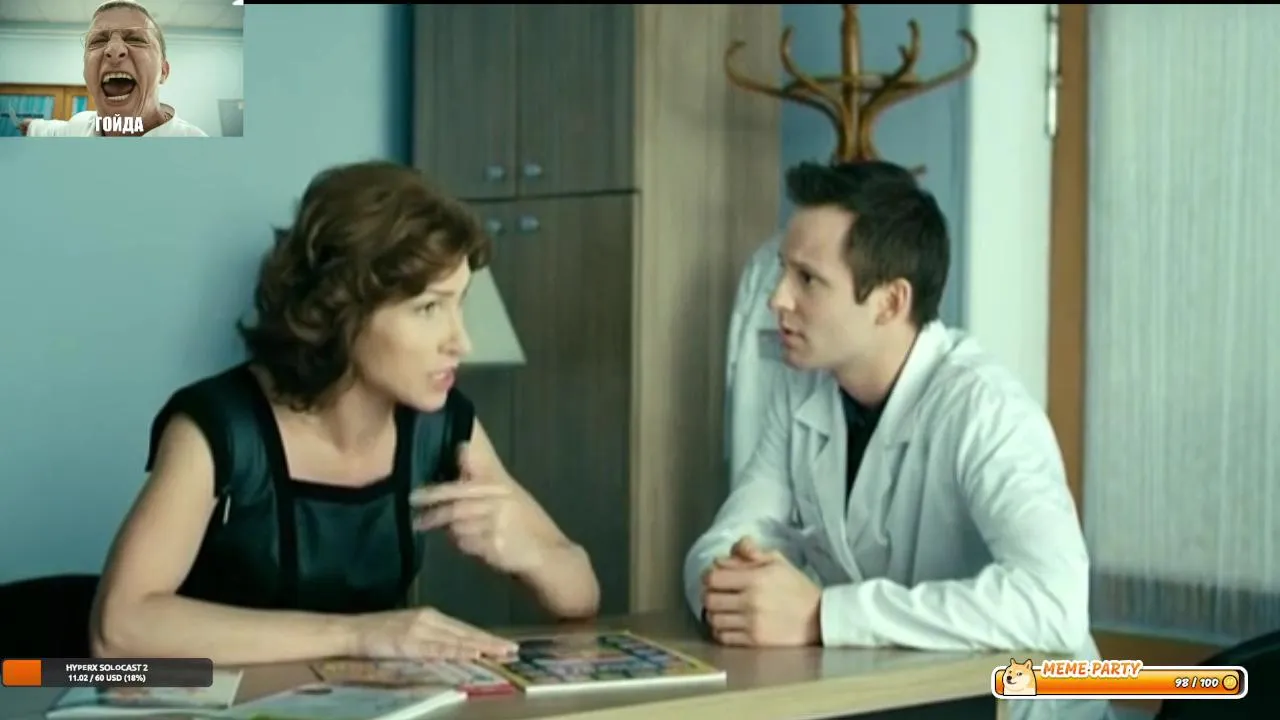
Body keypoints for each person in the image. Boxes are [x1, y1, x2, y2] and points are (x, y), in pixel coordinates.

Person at [91, 161, 600, 665]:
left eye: (459, 303)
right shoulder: (219, 428)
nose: (461, 342)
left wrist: (532, 556)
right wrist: (357, 634)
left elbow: (582, 593)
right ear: (342, 311)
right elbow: (119, 629)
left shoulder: (441, 423)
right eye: (428, 308)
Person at [685, 161, 1107, 717]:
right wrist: (733, 593)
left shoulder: (985, 408)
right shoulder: (802, 389)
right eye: (783, 272)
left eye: (807, 279)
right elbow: (732, 536)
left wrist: (824, 615)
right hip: (904, 703)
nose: (777, 299)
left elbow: (1054, 603)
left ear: (889, 302)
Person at [27, 1, 206, 137]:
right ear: (85, 73)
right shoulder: (78, 127)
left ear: (164, 71)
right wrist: (29, 124)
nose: (113, 50)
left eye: (136, 39)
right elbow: (49, 129)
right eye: (98, 41)